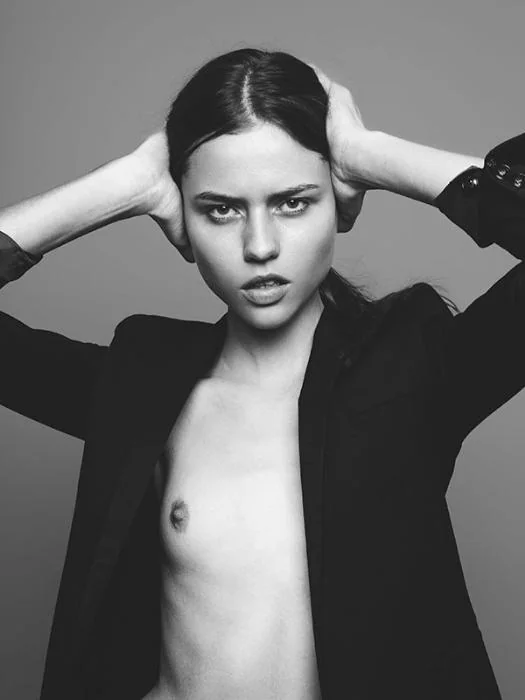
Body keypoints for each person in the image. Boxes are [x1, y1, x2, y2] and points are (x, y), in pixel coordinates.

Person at [0, 47, 523, 700]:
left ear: (340, 203)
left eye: (293, 202)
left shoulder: (415, 370)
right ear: (182, 219)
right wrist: (120, 186)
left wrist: (375, 154)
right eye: (220, 209)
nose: (259, 246)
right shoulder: (141, 386)